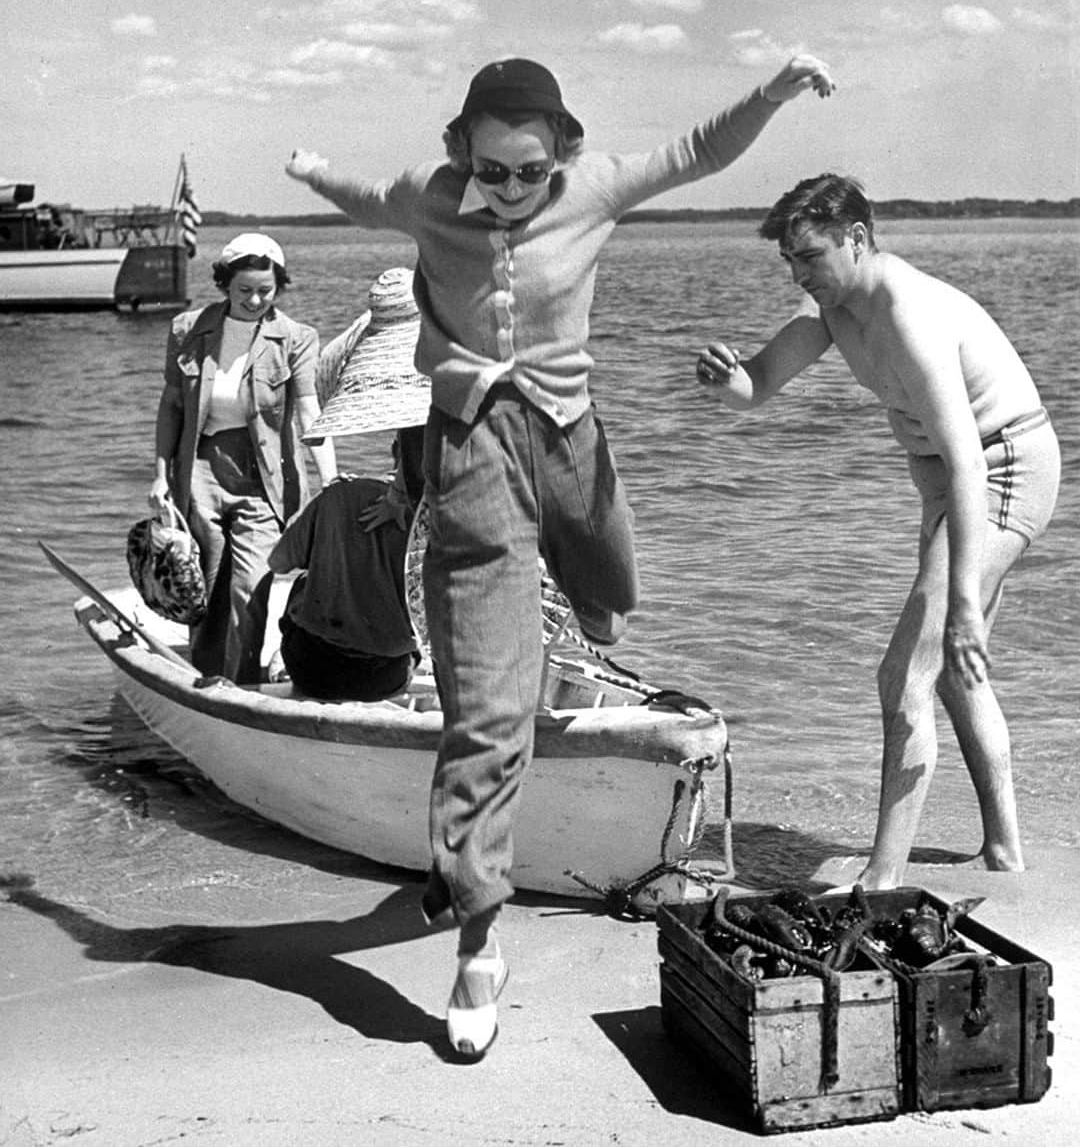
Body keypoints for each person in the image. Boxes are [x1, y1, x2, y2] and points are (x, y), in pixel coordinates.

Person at [285, 52, 835, 1059]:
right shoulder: (432, 195)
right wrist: (311, 167)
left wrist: (771, 90)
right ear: (463, 152)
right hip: (471, 455)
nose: (507, 191)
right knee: (488, 716)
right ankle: (478, 943)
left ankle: (589, 616)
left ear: (562, 154)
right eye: (490, 170)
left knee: (612, 595)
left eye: (528, 172)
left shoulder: (596, 188)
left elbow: (697, 152)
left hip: (574, 444)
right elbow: (365, 199)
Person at [695, 173, 1060, 890]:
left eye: (810, 257)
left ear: (856, 239)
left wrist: (960, 605)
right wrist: (724, 381)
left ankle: (881, 877)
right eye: (791, 262)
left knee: (904, 674)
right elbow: (760, 382)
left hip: (999, 470)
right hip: (963, 482)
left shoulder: (906, 312)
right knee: (953, 675)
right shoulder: (835, 309)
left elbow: (964, 459)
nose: (800, 274)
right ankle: (1004, 851)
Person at [149, 233, 337, 683]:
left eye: (266, 290)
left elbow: (310, 412)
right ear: (225, 286)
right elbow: (172, 406)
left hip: (264, 473)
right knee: (207, 583)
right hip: (200, 466)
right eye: (244, 290)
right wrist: (159, 476)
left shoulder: (296, 339)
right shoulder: (187, 330)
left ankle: (244, 682)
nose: (255, 300)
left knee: (252, 585)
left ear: (279, 286)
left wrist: (330, 480)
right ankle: (206, 677)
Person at [266, 267, 432, 701]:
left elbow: (279, 562)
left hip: (314, 666)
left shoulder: (341, 497)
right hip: (387, 676)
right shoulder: (428, 514)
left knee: (300, 590)